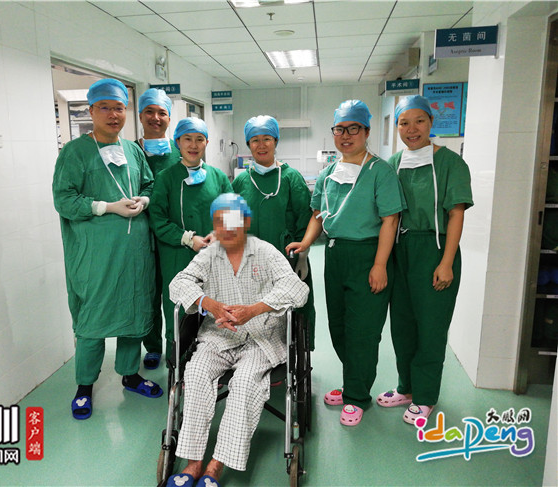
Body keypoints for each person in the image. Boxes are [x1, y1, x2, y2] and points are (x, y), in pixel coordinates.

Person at [167, 193, 309, 487]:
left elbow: (298, 290)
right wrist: (208, 303)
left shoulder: (266, 252)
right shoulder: (209, 255)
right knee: (195, 373)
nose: (226, 228)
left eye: (233, 221)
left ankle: (215, 467)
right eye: (220, 222)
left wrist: (254, 309)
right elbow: (178, 283)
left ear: (245, 222)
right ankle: (193, 463)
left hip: (260, 337)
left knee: (244, 383)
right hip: (218, 335)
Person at [286, 100, 405, 426]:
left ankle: (357, 396)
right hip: (335, 256)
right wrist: (306, 243)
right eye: (340, 129)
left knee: (363, 331)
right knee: (338, 327)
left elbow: (391, 220)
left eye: (354, 128)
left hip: (368, 255)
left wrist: (380, 265)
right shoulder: (328, 174)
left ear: (366, 131)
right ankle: (353, 383)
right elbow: (318, 214)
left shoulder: (380, 172)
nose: (346, 135)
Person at [52, 78, 163, 421]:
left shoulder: (132, 150)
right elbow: (64, 199)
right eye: (105, 108)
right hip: (96, 256)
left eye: (119, 108)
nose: (113, 115)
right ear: (91, 111)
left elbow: (150, 184)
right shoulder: (75, 153)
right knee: (93, 318)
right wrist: (106, 207)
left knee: (133, 312)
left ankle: (130, 375)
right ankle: (85, 385)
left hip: (135, 253)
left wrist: (144, 199)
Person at [377, 95, 473, 424]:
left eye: (419, 121)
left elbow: (456, 213)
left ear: (431, 122)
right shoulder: (392, 164)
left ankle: (426, 395)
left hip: (435, 248)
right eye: (404, 123)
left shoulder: (450, 163)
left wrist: (446, 262)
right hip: (400, 249)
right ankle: (406, 387)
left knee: (431, 328)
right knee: (402, 325)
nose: (412, 128)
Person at [232, 115, 316, 347]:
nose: (261, 145)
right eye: (255, 140)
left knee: (290, 312)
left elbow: (305, 218)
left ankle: (294, 354)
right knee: (254, 315)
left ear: (276, 141)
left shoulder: (291, 178)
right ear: (248, 144)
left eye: (267, 139)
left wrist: (303, 256)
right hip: (250, 264)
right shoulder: (241, 182)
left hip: (287, 260)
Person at [149, 117, 232, 344]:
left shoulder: (218, 177)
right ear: (177, 142)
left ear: (207, 143)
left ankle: (215, 358)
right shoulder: (165, 178)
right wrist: (187, 238)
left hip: (215, 257)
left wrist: (219, 234)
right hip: (176, 257)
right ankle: (177, 359)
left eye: (199, 139)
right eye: (187, 139)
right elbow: (157, 219)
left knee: (216, 310)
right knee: (179, 312)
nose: (193, 145)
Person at [136, 88, 182, 370]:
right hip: (139, 235)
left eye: (161, 112)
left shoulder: (181, 151)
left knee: (174, 292)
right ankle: (152, 346)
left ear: (169, 118)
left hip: (174, 235)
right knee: (146, 293)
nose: (155, 117)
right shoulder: (130, 151)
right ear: (140, 115)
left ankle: (175, 344)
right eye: (149, 112)